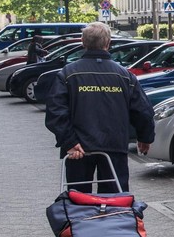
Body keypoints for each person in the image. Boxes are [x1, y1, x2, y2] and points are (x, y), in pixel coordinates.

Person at [45, 22, 155, 193]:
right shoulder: (125, 75)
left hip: (79, 149)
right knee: (114, 202)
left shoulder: (68, 74)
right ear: (108, 43)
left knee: (78, 201)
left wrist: (69, 142)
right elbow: (142, 110)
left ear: (83, 42)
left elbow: (55, 111)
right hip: (114, 147)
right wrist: (145, 137)